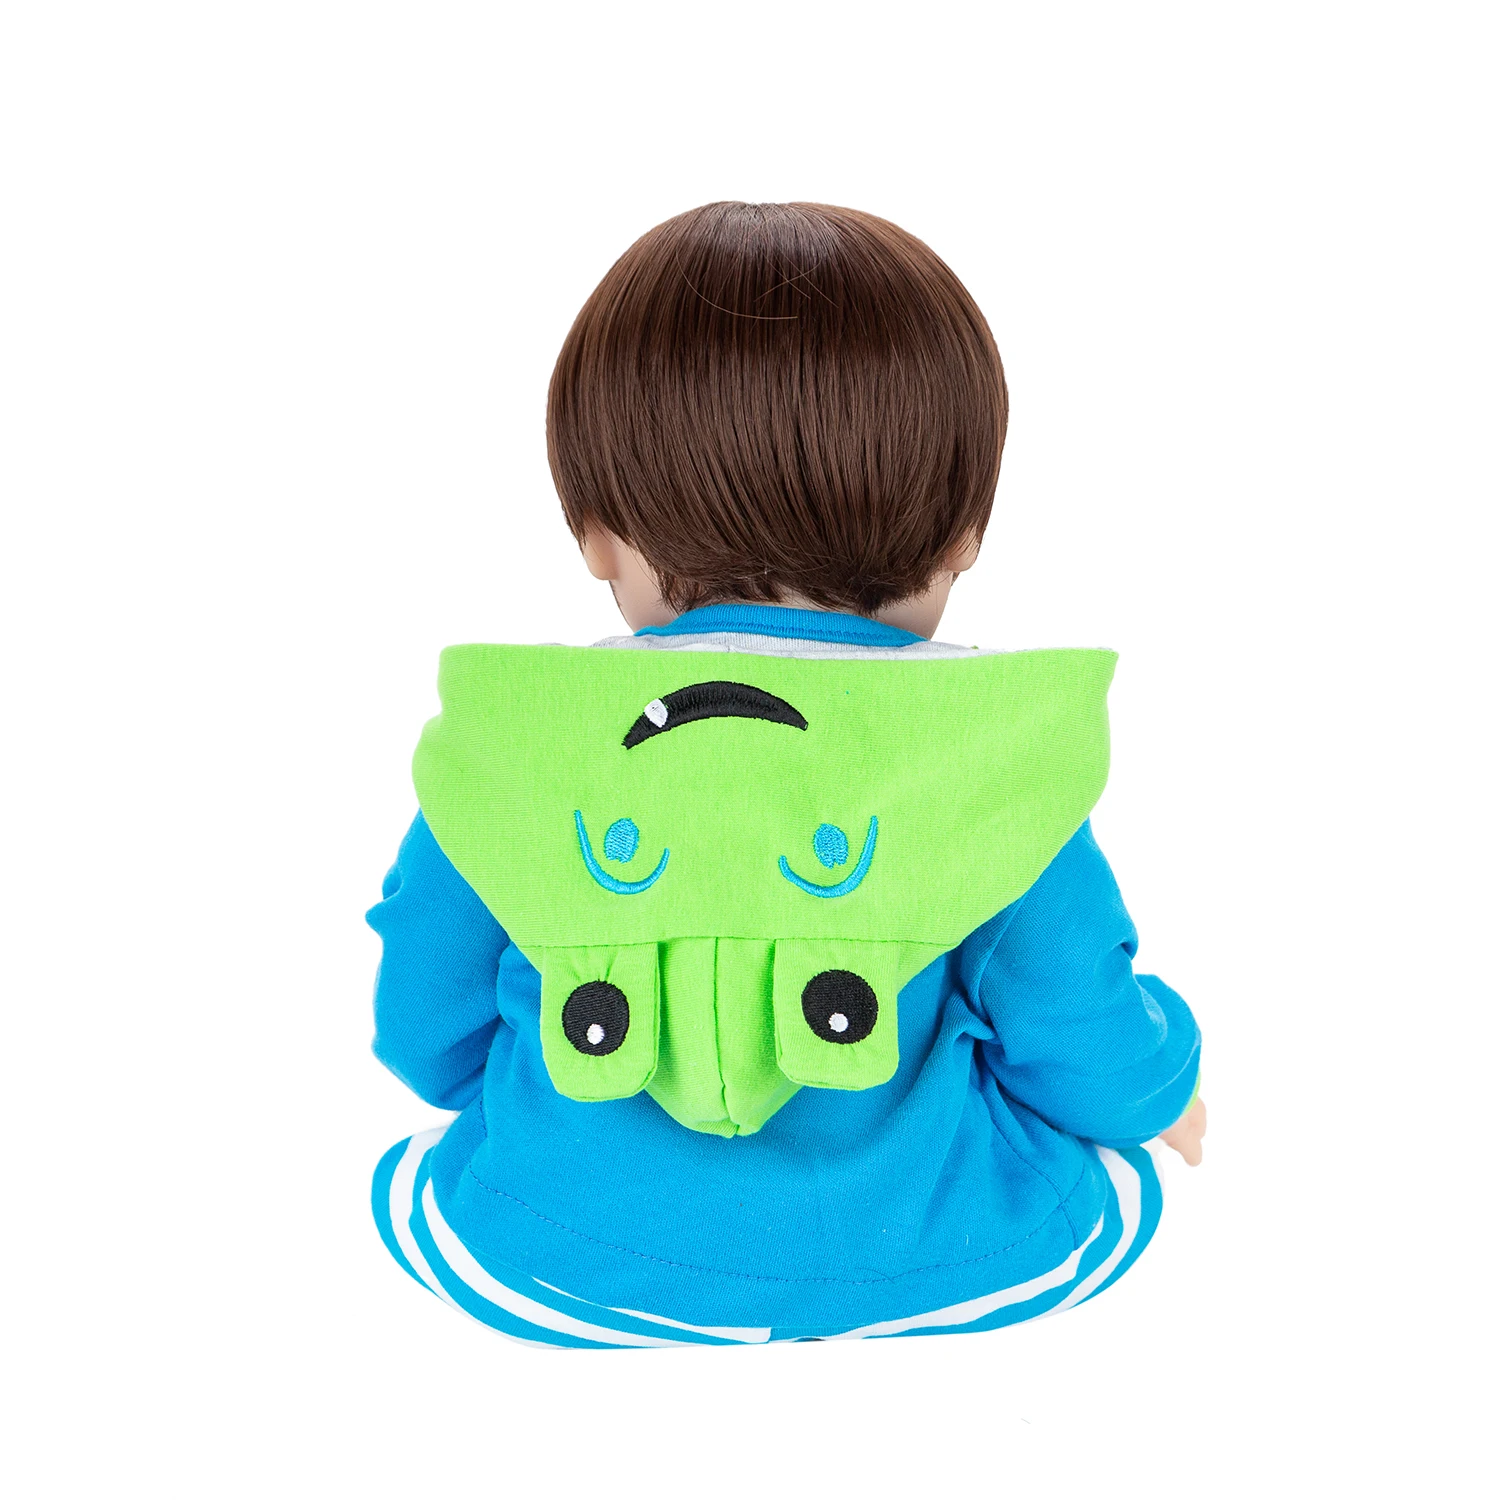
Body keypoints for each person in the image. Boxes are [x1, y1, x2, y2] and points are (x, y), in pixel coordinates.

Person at [368, 201, 1205, 1348]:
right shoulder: (982, 751)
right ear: (965, 533)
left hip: (550, 1252)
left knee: (423, 1173)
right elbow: (1079, 1026)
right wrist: (1169, 1083)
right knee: (1118, 1175)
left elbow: (425, 1024)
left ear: (595, 533)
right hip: (942, 1253)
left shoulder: (518, 744)